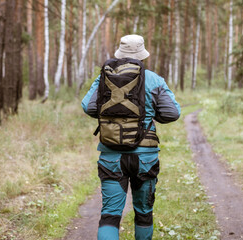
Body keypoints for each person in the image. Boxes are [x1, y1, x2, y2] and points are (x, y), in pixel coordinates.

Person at [82, 34, 180, 240]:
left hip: (111, 156)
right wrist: (151, 114)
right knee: (144, 213)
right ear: (142, 55)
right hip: (146, 157)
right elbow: (172, 113)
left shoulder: (103, 79)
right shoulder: (154, 79)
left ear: (120, 53)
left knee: (110, 216)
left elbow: (89, 107)